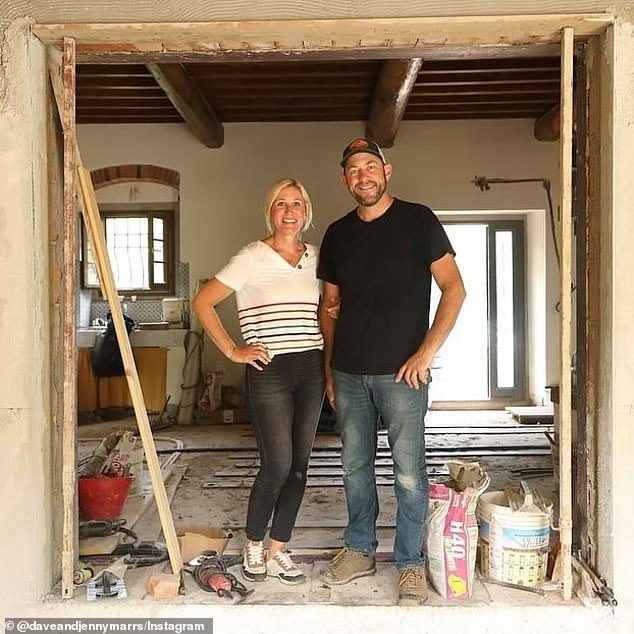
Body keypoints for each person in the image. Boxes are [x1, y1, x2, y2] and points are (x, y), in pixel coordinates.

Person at [317, 138, 466, 605]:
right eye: (353, 170)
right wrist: (328, 370)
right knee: (354, 469)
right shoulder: (338, 234)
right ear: (345, 180)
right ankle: (359, 549)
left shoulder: (419, 221)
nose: (363, 176)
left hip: (403, 376)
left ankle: (409, 564)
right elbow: (331, 307)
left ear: (387, 171)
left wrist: (425, 353)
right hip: (349, 374)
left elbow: (454, 289)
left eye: (370, 167)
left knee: (408, 473)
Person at [192, 178, 324, 586]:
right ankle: (254, 542)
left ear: (306, 212)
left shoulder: (319, 258)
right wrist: (233, 350)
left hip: (311, 367)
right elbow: (204, 302)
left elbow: (328, 312)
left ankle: (278, 550)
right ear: (271, 212)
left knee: (300, 469)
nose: (289, 212)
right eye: (281, 204)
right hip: (270, 369)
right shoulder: (251, 256)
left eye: (297, 204)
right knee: (278, 464)